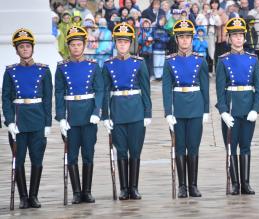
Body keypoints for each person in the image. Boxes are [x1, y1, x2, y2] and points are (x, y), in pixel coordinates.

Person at [2, 29, 52, 208]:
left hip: (37, 120)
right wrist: (9, 121)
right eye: (21, 46)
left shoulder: (44, 70)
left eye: (28, 46)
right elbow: (6, 99)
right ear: (16, 50)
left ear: (33, 48)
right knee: (19, 159)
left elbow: (47, 99)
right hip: (18, 122)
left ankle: (34, 195)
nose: (25, 49)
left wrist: (48, 123)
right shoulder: (10, 72)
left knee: (37, 159)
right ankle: (23, 197)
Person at [101, 22, 152, 200]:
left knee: (135, 150)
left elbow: (146, 89)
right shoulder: (108, 64)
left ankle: (134, 187)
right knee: (121, 150)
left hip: (136, 110)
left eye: (125, 42)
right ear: (115, 43)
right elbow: (105, 91)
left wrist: (148, 113)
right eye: (119, 42)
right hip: (117, 111)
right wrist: (105, 115)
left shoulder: (139, 63)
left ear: (130, 43)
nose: (122, 45)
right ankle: (124, 188)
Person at [54, 25, 104, 204]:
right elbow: (58, 93)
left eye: (79, 44)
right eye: (73, 45)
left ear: (84, 45)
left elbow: (99, 90)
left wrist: (97, 111)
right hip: (71, 116)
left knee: (88, 154)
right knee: (72, 155)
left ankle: (87, 191)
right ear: (69, 46)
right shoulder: (62, 67)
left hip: (89, 114)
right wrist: (60, 117)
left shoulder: (93, 65)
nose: (76, 48)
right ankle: (76, 192)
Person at [162, 19, 209, 198]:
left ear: (192, 39)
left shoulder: (200, 60)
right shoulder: (169, 61)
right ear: (177, 39)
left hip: (195, 105)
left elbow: (204, 86)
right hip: (178, 107)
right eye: (181, 37)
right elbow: (166, 88)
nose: (184, 41)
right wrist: (168, 112)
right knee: (180, 147)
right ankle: (182, 185)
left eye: (187, 37)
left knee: (193, 147)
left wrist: (205, 110)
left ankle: (193, 185)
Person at [216, 17, 259, 195]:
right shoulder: (223, 60)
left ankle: (246, 182)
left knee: (246, 145)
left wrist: (255, 109)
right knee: (231, 146)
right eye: (234, 35)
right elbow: (220, 90)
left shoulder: (253, 59)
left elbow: (258, 88)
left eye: (240, 35)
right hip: (231, 109)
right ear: (229, 38)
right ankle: (235, 183)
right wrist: (222, 112)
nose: (237, 39)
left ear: (244, 38)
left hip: (248, 107)